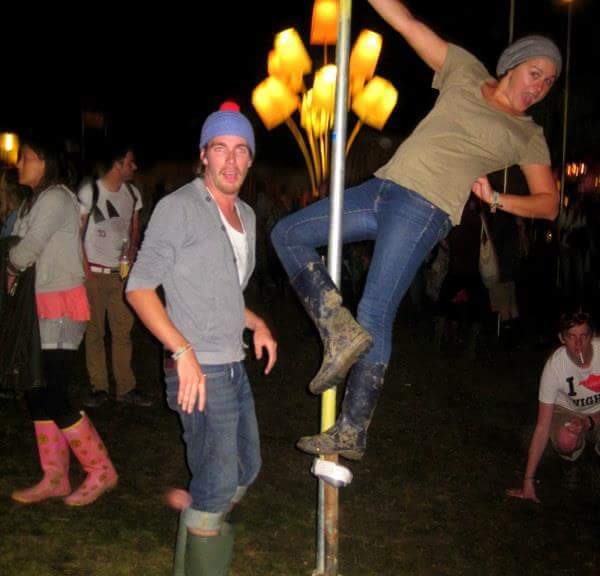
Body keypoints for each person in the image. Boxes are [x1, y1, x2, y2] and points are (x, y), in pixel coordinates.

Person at [271, 0, 561, 461]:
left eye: (548, 82)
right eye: (535, 74)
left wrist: (497, 200)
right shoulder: (465, 71)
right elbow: (407, 23)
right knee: (287, 233)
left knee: (376, 309)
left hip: (424, 209)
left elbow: (549, 204)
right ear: (513, 64)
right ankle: (337, 328)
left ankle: (352, 429)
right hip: (381, 188)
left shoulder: (527, 134)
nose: (539, 87)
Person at [126, 102, 277, 576]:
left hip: (231, 362)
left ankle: (199, 512)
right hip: (196, 370)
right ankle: (201, 526)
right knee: (219, 482)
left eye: (240, 149)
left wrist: (256, 323)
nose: (231, 160)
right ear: (204, 155)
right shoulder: (179, 208)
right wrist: (183, 350)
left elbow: (224, 292)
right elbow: (139, 288)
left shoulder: (247, 215)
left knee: (247, 467)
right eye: (220, 148)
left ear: (250, 158)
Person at [7, 136, 117, 506]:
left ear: (45, 160)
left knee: (53, 392)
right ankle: (55, 477)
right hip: (38, 307)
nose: (19, 163)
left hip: (60, 306)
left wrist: (9, 267)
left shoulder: (55, 198)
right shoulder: (33, 201)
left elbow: (25, 250)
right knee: (36, 392)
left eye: (25, 157)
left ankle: (101, 469)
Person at [78, 143, 151, 407]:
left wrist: (131, 253)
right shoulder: (91, 191)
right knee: (95, 333)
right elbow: (77, 234)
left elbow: (134, 230)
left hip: (121, 274)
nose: (134, 167)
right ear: (118, 164)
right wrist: (85, 271)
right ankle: (99, 387)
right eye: (130, 162)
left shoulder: (132, 193)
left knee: (123, 331)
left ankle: (125, 387)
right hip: (94, 273)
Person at [508, 312, 599, 503]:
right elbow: (542, 427)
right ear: (562, 338)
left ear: (592, 335)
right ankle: (572, 462)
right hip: (567, 411)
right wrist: (528, 481)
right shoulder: (555, 366)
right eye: (571, 336)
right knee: (566, 439)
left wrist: (589, 422)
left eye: (583, 336)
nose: (578, 344)